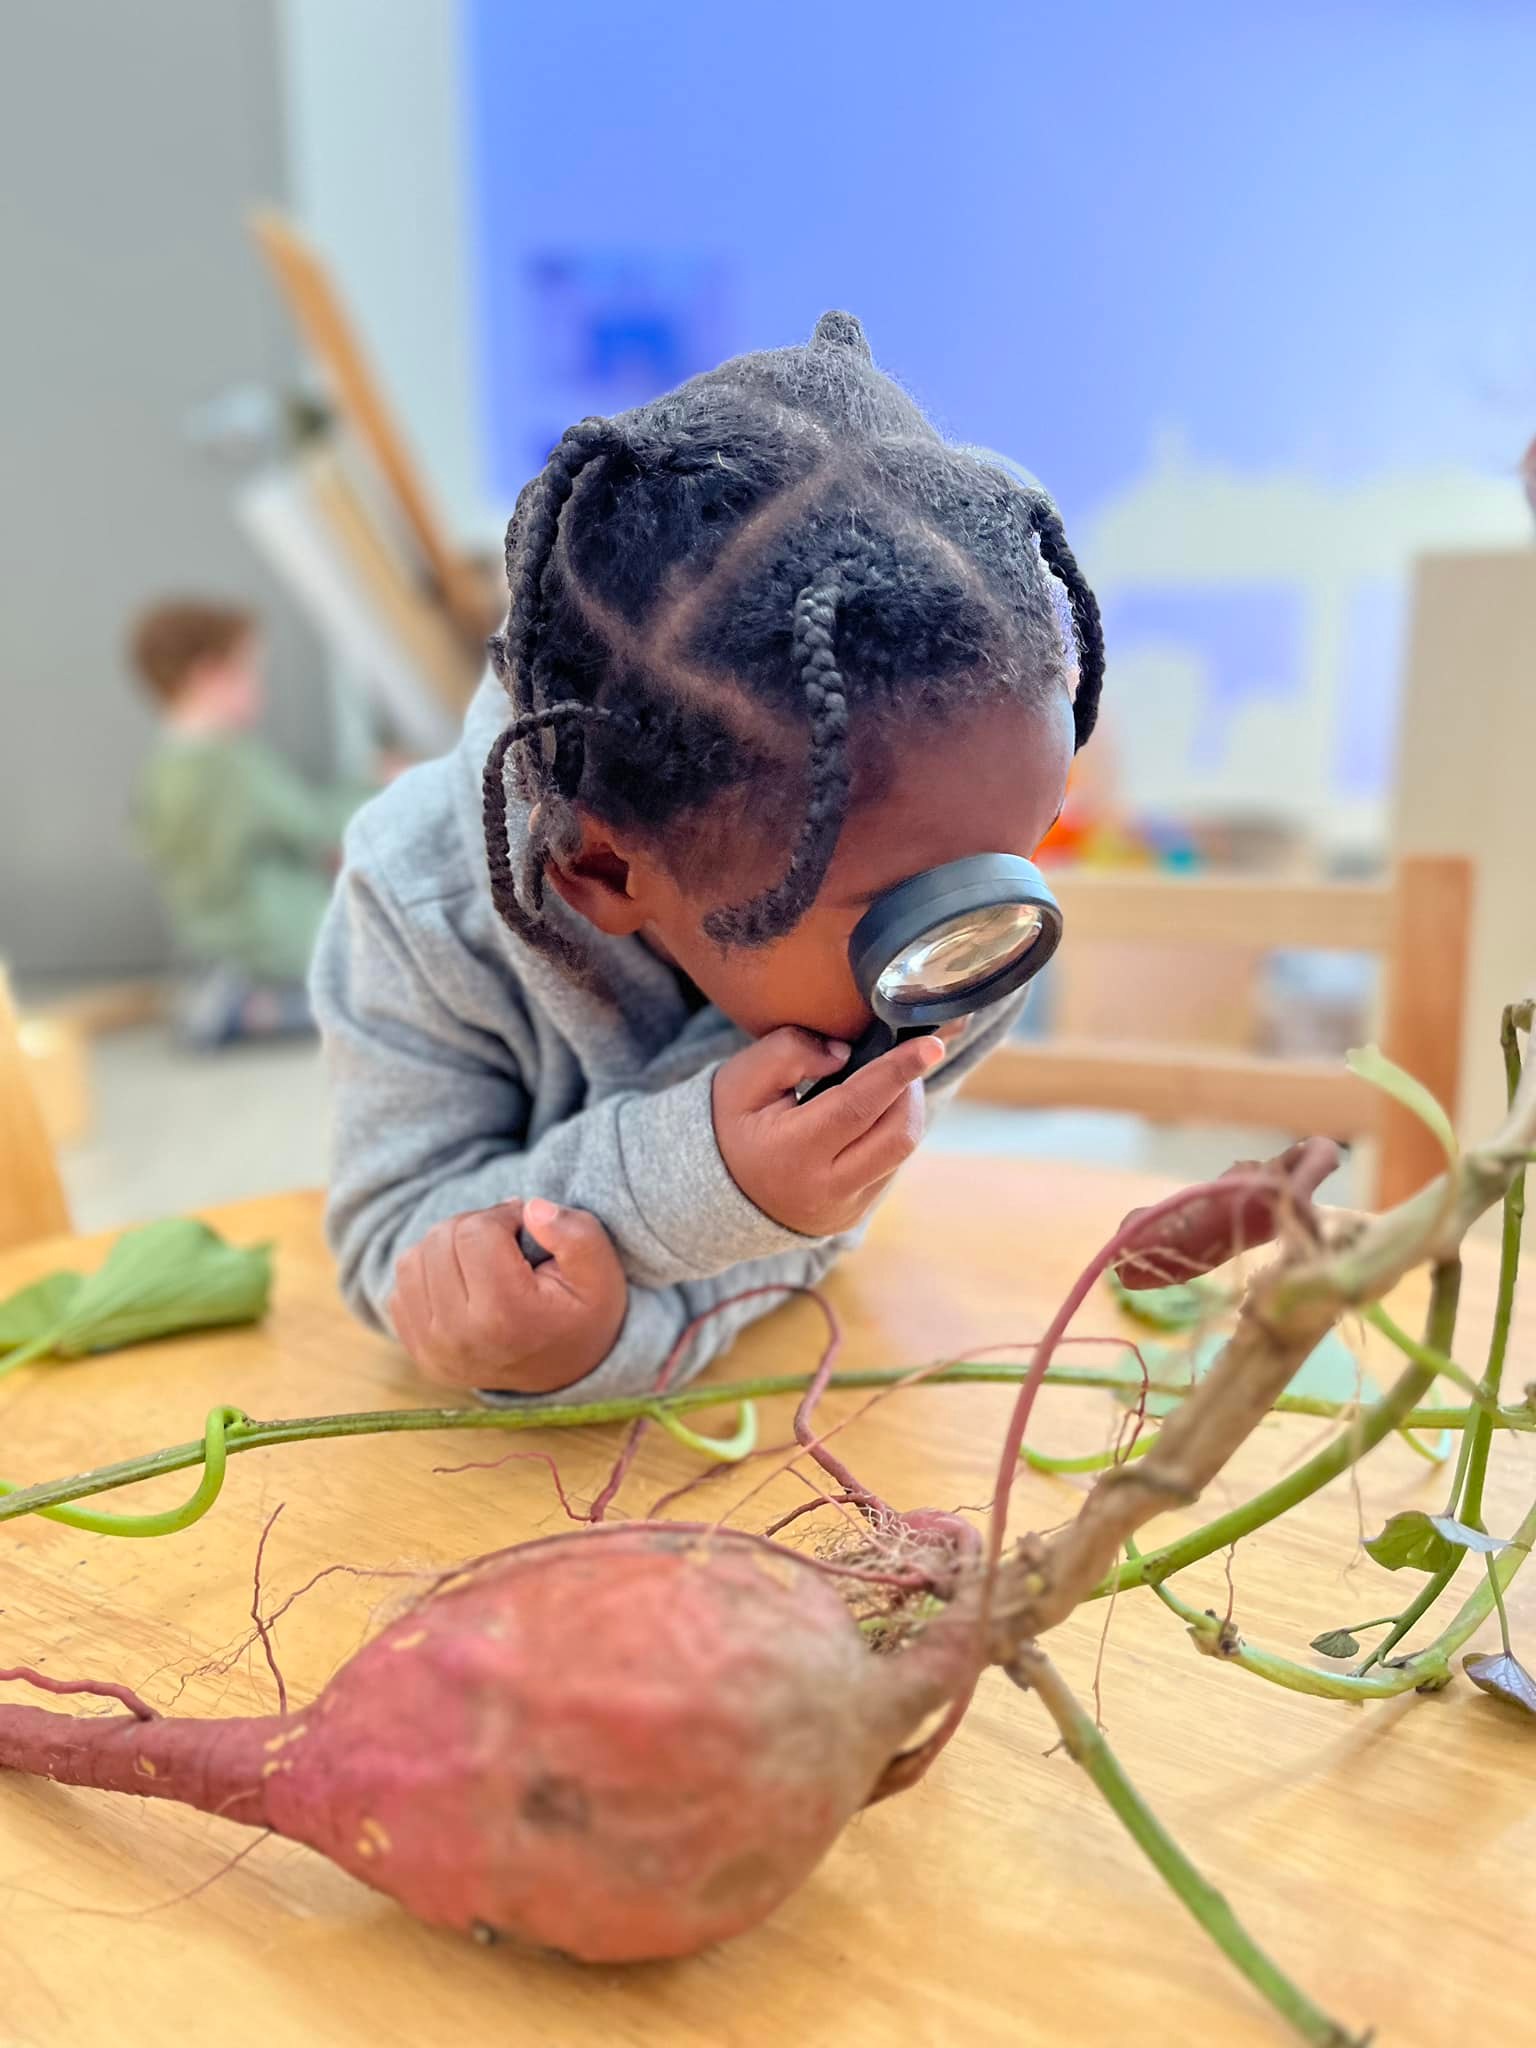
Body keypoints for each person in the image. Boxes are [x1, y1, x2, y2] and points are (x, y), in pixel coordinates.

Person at [312, 312, 1104, 1403]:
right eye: (898, 906)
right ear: (602, 869)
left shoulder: (965, 937)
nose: (995, 929)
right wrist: (698, 1187)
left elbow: (815, 1238)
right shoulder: (418, 903)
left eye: (1025, 850)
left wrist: (631, 1329)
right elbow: (398, 1247)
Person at [129, 601, 377, 1046]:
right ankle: (250, 1008)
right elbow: (318, 825)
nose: (259, 688)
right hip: (274, 942)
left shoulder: (161, 768)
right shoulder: (232, 765)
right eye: (250, 672)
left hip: (214, 942)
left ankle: (228, 998)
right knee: (376, 999)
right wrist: (377, 783)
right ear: (209, 676)